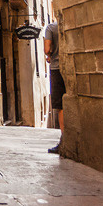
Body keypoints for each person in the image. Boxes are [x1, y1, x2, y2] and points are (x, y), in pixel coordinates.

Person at [44, 19, 64, 154]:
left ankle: (64, 140)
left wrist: (49, 55)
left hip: (57, 68)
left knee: (60, 106)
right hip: (71, 67)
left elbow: (47, 48)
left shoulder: (51, 28)